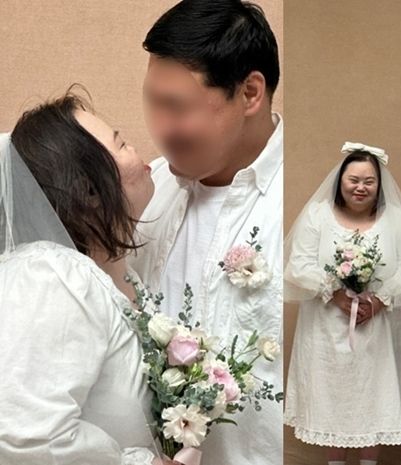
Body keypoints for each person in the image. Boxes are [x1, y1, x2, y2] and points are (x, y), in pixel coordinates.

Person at [128, 1, 283, 464]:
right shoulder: (148, 191)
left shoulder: (296, 203)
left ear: (250, 92)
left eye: (177, 107)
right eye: (153, 104)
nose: (162, 130)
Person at [0, 91, 164, 465]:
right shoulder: (51, 277)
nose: (136, 151)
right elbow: (22, 435)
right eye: (121, 144)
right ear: (88, 190)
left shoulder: (116, 278)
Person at [284, 142, 401, 465]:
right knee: (331, 397)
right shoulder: (318, 215)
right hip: (325, 325)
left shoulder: (395, 219)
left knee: (374, 397)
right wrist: (335, 293)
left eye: (369, 181)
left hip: (380, 330)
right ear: (340, 181)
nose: (360, 187)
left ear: (379, 185)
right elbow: (299, 264)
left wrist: (379, 299)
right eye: (353, 180)